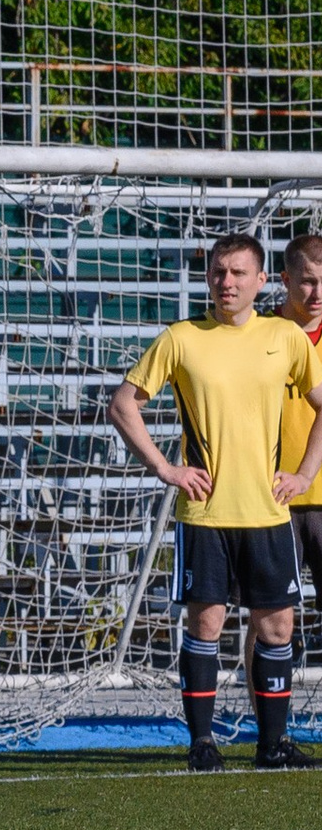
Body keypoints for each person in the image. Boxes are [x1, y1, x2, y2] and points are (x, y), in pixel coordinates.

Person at [108, 232, 322, 771]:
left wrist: (304, 473)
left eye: (239, 273)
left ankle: (272, 746)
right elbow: (123, 404)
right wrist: (165, 468)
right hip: (205, 513)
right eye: (219, 272)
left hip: (269, 512)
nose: (228, 282)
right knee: (205, 627)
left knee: (277, 630)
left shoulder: (284, 337)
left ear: (262, 281)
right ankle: (202, 744)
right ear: (207, 277)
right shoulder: (181, 338)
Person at [275, 232, 322, 616]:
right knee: (269, 616)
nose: (317, 292)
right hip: (273, 497)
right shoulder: (259, 334)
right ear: (286, 279)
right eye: (308, 281)